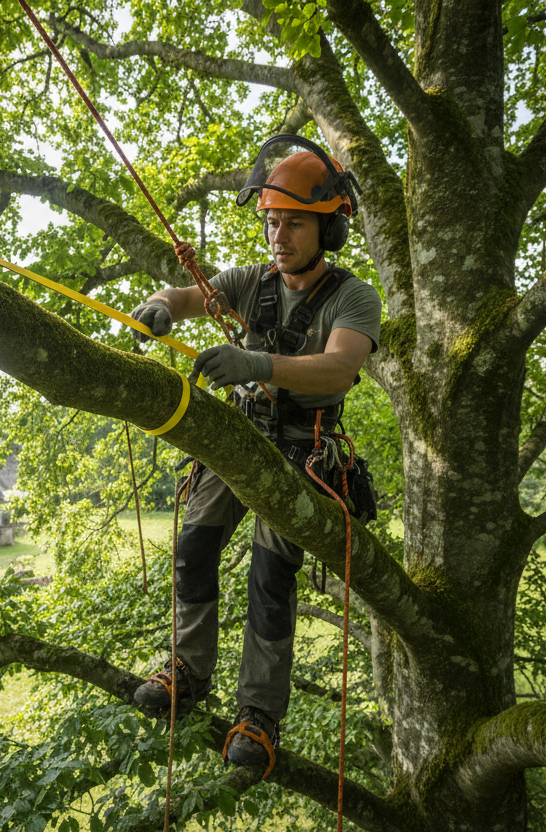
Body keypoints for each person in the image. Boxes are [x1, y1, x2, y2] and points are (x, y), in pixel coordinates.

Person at [128, 137, 382, 768]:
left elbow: (339, 368)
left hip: (303, 453)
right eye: (272, 221)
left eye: (294, 222)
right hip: (240, 438)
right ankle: (187, 671)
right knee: (193, 548)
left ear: (330, 227)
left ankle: (260, 716)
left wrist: (258, 361)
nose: (279, 234)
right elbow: (189, 297)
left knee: (270, 580)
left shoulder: (353, 298)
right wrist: (159, 307)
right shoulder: (250, 282)